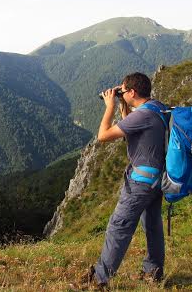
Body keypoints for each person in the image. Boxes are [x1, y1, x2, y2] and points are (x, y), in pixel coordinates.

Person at [83, 72, 166, 289]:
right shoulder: (156, 108)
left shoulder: (143, 115)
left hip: (140, 183)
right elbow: (130, 125)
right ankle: (153, 273)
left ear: (132, 92)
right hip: (156, 180)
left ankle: (99, 280)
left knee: (118, 227)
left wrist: (109, 105)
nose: (120, 92)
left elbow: (103, 135)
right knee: (152, 227)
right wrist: (122, 102)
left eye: (123, 90)